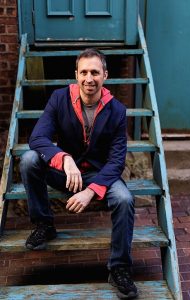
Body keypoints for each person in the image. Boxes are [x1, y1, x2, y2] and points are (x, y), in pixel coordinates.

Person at [20, 49, 138, 299]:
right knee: (29, 160)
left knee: (125, 199)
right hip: (64, 172)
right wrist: (63, 158)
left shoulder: (117, 110)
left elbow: (117, 161)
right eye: (83, 72)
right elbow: (37, 138)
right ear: (76, 75)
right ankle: (44, 224)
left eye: (95, 72)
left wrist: (90, 192)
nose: (89, 78)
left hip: (98, 175)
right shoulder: (59, 98)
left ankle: (119, 268)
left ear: (105, 75)